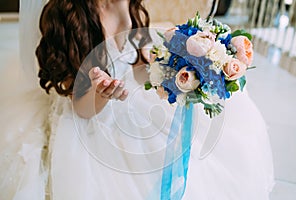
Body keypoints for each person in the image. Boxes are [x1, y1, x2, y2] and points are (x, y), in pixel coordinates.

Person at [0, 0, 275, 199]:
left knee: (200, 139)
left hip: (130, 92)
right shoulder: (67, 15)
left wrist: (173, 67)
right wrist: (101, 93)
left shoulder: (129, 4)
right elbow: (80, 108)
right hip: (91, 109)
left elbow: (135, 63)